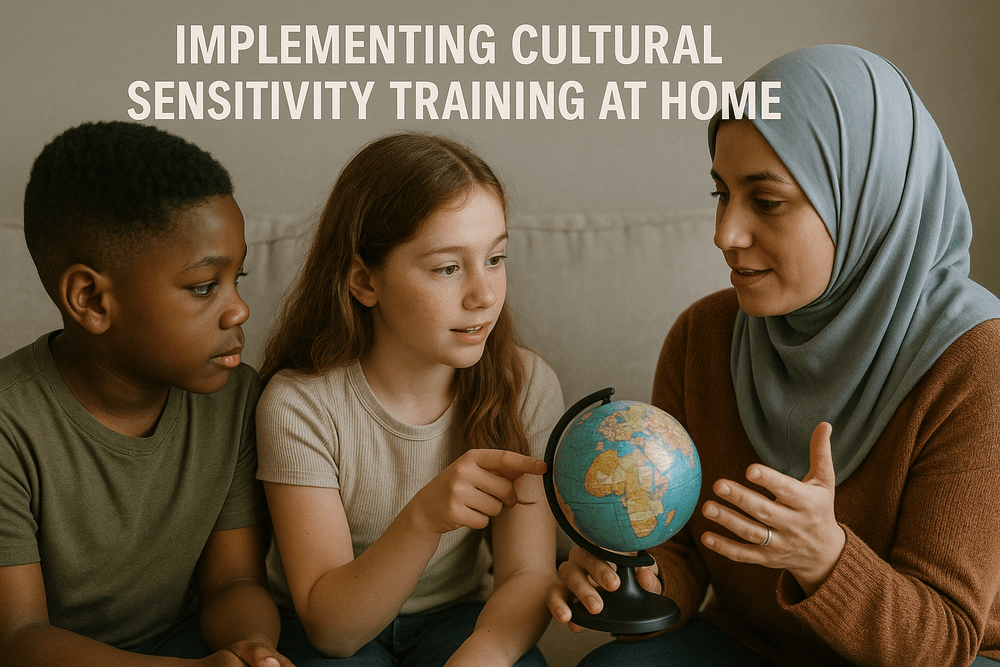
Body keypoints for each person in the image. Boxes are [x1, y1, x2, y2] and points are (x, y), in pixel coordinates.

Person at [547, 44, 1000, 666]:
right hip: (751, 644)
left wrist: (826, 559)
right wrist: (624, 574)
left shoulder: (975, 360)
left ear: (864, 197)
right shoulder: (702, 337)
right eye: (721, 194)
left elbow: (943, 639)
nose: (725, 234)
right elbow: (681, 553)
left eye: (767, 201)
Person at [255, 132, 564, 667]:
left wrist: (485, 652)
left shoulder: (525, 384)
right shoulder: (298, 405)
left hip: (456, 617)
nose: (484, 294)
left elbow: (528, 574)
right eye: (448, 268)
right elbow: (332, 630)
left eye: (495, 258)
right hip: (336, 626)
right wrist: (423, 518)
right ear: (363, 280)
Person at [0, 121, 293, 666]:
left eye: (239, 278)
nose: (239, 309)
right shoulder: (9, 426)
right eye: (204, 287)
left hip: (181, 647)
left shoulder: (234, 400)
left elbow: (232, 582)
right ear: (90, 299)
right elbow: (19, 638)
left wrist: (254, 647)